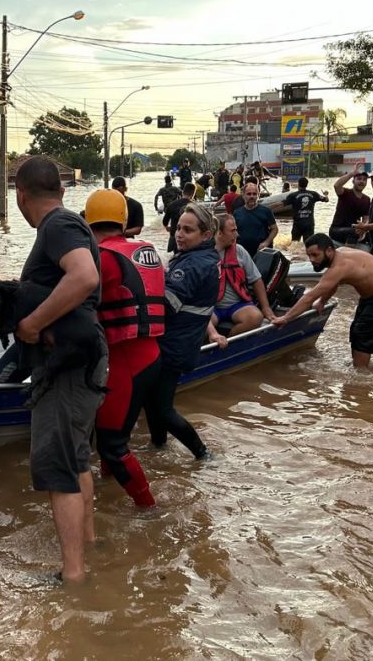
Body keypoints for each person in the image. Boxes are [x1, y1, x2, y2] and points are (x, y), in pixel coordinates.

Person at [13, 155, 106, 584]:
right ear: (63, 190)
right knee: (78, 458)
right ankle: (88, 548)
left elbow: (84, 277)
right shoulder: (72, 223)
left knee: (58, 467)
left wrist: (33, 323)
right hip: (83, 357)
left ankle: (73, 576)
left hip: (67, 366)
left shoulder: (55, 225)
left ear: (21, 194)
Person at [84, 189, 162, 508]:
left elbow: (72, 296)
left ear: (88, 222)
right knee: (112, 437)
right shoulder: (145, 250)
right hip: (151, 356)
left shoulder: (101, 258)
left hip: (125, 363)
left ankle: (148, 510)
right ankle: (108, 492)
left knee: (113, 444)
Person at [148, 203, 226, 458]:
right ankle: (158, 447)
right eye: (179, 228)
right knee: (155, 404)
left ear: (205, 235)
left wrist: (145, 284)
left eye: (188, 230)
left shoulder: (192, 265)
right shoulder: (203, 257)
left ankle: (203, 454)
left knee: (161, 409)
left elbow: (166, 306)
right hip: (181, 342)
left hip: (173, 346)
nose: (179, 234)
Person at [271, 233, 373, 368]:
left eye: (315, 255)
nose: (311, 259)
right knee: (357, 332)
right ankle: (360, 366)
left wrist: (286, 318)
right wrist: (323, 301)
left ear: (329, 250)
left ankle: (361, 375)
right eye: (309, 255)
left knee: (362, 334)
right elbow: (332, 285)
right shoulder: (339, 255)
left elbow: (309, 297)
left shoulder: (339, 267)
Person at [212, 214, 277, 335]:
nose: (237, 235)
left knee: (256, 317)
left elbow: (256, 280)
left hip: (237, 305)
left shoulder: (240, 251)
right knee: (198, 322)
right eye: (233, 231)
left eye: (236, 230)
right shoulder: (205, 254)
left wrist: (266, 308)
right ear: (219, 233)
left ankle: (230, 342)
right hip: (212, 307)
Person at [232, 182, 277, 256]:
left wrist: (266, 242)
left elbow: (274, 229)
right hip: (243, 252)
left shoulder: (266, 211)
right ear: (243, 195)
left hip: (261, 252)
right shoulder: (237, 213)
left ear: (258, 195)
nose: (252, 196)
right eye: (249, 194)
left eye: (254, 194)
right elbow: (233, 231)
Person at [330, 166, 371, 244]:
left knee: (372, 235)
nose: (362, 181)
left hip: (354, 229)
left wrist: (363, 229)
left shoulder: (367, 199)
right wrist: (351, 174)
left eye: (364, 179)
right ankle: (348, 254)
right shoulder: (345, 193)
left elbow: (366, 218)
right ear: (353, 181)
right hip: (337, 229)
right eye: (359, 179)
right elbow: (336, 186)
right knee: (353, 232)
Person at [286, 177, 329, 242]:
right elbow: (326, 200)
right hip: (309, 224)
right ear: (307, 184)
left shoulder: (293, 195)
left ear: (298, 184)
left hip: (298, 224)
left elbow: (281, 204)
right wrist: (326, 195)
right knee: (308, 244)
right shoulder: (314, 194)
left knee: (294, 244)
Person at [161, 182, 195, 253]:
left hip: (175, 237)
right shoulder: (195, 206)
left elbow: (165, 222)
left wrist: (167, 227)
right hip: (189, 238)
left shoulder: (172, 205)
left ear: (182, 192)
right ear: (193, 194)